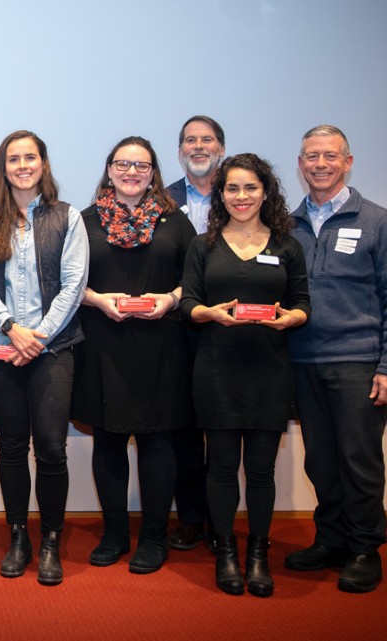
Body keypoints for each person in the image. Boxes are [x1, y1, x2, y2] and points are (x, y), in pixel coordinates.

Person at [285, 125, 387, 593]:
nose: (320, 164)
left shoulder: (379, 222)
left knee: (358, 460)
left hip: (358, 363)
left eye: (329, 155)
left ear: (348, 161)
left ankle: (364, 549)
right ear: (300, 164)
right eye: (311, 156)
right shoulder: (288, 225)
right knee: (320, 461)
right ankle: (331, 540)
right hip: (303, 362)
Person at [179, 153, 310, 597]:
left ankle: (257, 555)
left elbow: (302, 303)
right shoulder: (204, 246)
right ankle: (226, 553)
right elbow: (188, 303)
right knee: (219, 468)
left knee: (260, 470)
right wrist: (209, 313)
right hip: (217, 370)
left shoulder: (287, 246)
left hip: (269, 373)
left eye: (250, 187)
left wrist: (292, 318)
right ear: (221, 194)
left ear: (266, 192)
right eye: (232, 188)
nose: (241, 196)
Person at [72, 136, 195, 575]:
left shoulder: (175, 221)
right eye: (123, 164)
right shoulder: (84, 221)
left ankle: (155, 537)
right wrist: (97, 300)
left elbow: (196, 279)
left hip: (162, 346)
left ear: (153, 172)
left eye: (141, 165)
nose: (131, 172)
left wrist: (171, 298)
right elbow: (66, 282)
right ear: (109, 170)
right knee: (108, 441)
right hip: (102, 345)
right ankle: (115, 534)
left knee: (157, 443)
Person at [0, 131, 87, 586]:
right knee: (13, 446)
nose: (22, 166)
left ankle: (51, 540)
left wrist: (38, 336)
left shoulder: (67, 217)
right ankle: (18, 537)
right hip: (2, 346)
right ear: (3, 167)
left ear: (43, 163)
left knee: (52, 448)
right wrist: (12, 329)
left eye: (30, 157)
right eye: (13, 159)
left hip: (52, 348)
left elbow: (74, 284)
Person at [164, 115, 226, 550]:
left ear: (221, 147)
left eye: (207, 139)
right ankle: (190, 516)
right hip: (179, 328)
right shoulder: (163, 200)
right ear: (180, 150)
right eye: (190, 140)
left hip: (232, 329)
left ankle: (221, 519)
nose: (198, 146)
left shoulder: (240, 193)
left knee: (224, 428)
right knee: (183, 430)